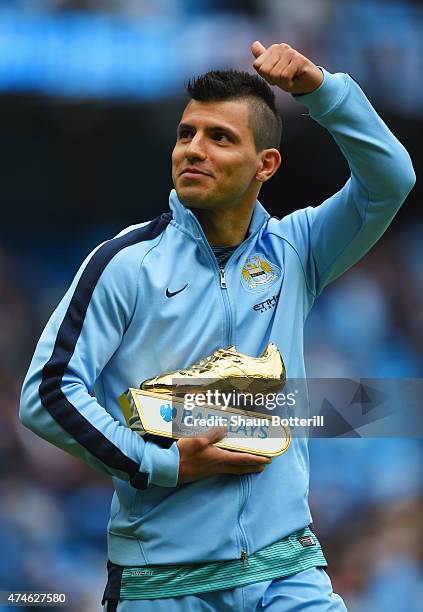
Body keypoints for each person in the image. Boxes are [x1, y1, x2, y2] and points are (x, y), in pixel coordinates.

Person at [20, 41, 415, 611]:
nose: (193, 150)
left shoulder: (297, 249)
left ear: (266, 165)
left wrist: (324, 91)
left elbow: (391, 180)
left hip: (288, 570)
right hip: (163, 583)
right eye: (186, 135)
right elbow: (48, 392)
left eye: (220, 137)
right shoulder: (125, 263)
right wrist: (162, 463)